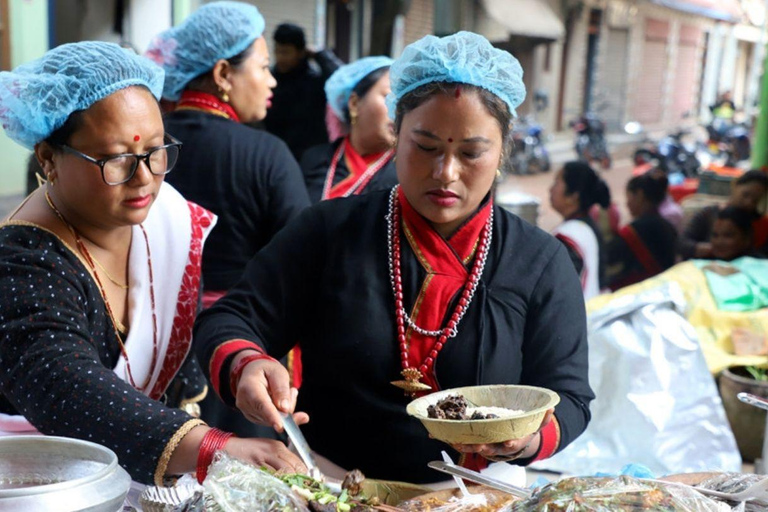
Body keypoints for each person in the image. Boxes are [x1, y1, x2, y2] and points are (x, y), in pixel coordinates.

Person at [194, 31, 594, 484]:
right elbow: (232, 318)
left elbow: (570, 398)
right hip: (332, 486)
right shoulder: (328, 231)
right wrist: (248, 363)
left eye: (471, 153)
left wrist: (525, 438)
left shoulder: (540, 262)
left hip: (480, 495)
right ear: (396, 135)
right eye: (425, 147)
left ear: (502, 152)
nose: (446, 172)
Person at [0, 41, 303, 486]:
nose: (144, 178)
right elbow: (66, 386)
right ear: (49, 158)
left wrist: (240, 365)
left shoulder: (164, 220)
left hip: (143, 469)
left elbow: (183, 332)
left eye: (157, 152)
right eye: (117, 159)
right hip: (43, 480)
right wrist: (216, 449)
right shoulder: (22, 262)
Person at [145, 1, 311, 439]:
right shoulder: (267, 155)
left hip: (146, 347)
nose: (272, 80)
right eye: (262, 66)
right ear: (223, 74)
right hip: (237, 358)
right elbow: (302, 265)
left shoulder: (145, 149)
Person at [301, 56, 397, 203]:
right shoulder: (314, 160)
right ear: (354, 103)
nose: (398, 110)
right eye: (389, 97)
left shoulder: (405, 173)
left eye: (403, 101)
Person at [264, 22, 342, 161]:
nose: (280, 57)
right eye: (277, 51)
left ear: (301, 52)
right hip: (275, 155)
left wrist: (320, 55)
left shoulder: (314, 81)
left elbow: (341, 80)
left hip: (310, 159)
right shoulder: (269, 80)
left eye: (286, 52)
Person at [550, 161, 611, 299]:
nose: (550, 189)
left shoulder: (571, 236)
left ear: (573, 196)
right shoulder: (587, 226)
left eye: (556, 182)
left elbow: (558, 290)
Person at [607, 173, 678, 290]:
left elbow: (609, 256)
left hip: (644, 291)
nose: (627, 203)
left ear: (639, 195)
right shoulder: (667, 225)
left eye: (628, 197)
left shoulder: (633, 231)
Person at [680, 170, 768, 259]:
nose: (748, 203)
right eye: (746, 195)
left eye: (755, 200)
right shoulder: (708, 215)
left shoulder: (761, 225)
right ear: (735, 185)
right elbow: (682, 244)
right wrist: (711, 249)